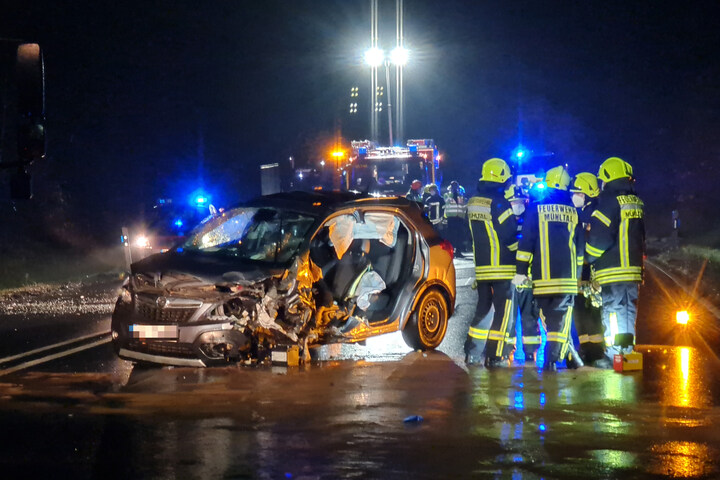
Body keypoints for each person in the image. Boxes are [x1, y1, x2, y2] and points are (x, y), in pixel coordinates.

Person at [514, 166, 584, 371]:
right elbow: (580, 249)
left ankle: (541, 355)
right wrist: (578, 277)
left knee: (542, 316)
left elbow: (526, 243)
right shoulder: (574, 212)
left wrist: (520, 271)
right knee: (559, 323)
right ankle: (552, 360)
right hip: (567, 280)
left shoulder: (536, 209)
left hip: (542, 279)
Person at [585, 157, 645, 367]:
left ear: (608, 178)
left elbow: (600, 238)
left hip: (612, 268)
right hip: (633, 270)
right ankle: (628, 354)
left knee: (612, 311)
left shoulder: (609, 201)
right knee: (628, 312)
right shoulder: (635, 201)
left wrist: (587, 258)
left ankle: (613, 355)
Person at [464, 158, 518, 367]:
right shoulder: (500, 203)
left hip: (483, 268)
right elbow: (509, 236)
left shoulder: (473, 202)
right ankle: (497, 356)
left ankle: (473, 353)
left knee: (484, 311)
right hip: (503, 267)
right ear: (501, 178)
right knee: (504, 314)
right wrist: (521, 259)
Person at [569, 172, 607, 367]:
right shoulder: (578, 212)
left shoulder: (594, 214)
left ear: (588, 193)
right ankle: (588, 348)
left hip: (590, 269)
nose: (574, 196)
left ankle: (594, 349)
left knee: (591, 310)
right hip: (580, 269)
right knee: (581, 310)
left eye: (578, 193)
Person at [505, 185, 542, 363]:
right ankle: (507, 350)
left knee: (530, 316)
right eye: (514, 202)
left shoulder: (531, 219)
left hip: (528, 278)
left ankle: (530, 351)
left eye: (521, 201)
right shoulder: (504, 221)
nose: (518, 205)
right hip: (509, 278)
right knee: (508, 319)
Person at [444, 181, 468, 258]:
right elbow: (446, 201)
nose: (455, 188)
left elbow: (464, 206)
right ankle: (451, 251)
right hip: (451, 218)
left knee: (459, 236)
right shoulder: (447, 195)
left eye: (456, 186)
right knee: (451, 236)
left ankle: (458, 251)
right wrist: (452, 193)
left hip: (459, 218)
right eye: (453, 186)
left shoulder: (460, 196)